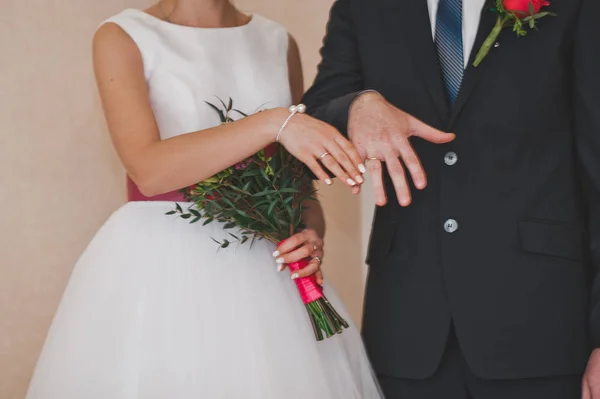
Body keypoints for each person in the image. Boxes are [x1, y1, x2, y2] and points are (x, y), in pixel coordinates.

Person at [25, 1, 383, 397]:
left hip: (269, 269)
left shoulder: (278, 41)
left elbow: (295, 184)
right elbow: (149, 171)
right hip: (164, 266)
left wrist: (311, 232)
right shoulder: (122, 35)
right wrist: (271, 123)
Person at [303, 0, 600, 398]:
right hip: (407, 327)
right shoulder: (362, 7)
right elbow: (316, 117)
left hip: (541, 326)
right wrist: (357, 106)